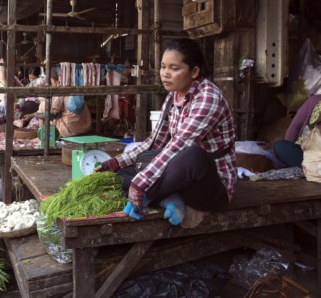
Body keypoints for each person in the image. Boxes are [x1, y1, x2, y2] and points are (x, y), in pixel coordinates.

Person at [95, 38, 237, 226]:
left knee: (194, 156)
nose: (165, 74)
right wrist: (116, 162)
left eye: (174, 68)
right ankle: (168, 198)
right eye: (163, 67)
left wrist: (140, 185)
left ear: (194, 71)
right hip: (180, 180)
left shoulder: (208, 97)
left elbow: (179, 145)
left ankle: (155, 194)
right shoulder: (173, 97)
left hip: (210, 187)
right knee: (120, 174)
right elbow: (154, 143)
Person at [25, 69, 92, 137]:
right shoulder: (68, 88)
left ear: (53, 80)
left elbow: (51, 112)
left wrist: (37, 115)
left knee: (46, 118)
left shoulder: (59, 90)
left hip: (71, 129)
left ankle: (44, 138)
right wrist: (32, 115)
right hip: (84, 126)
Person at [273, 94, 321, 167]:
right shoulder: (314, 100)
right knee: (280, 147)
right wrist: (291, 146)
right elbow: (295, 126)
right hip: (306, 153)